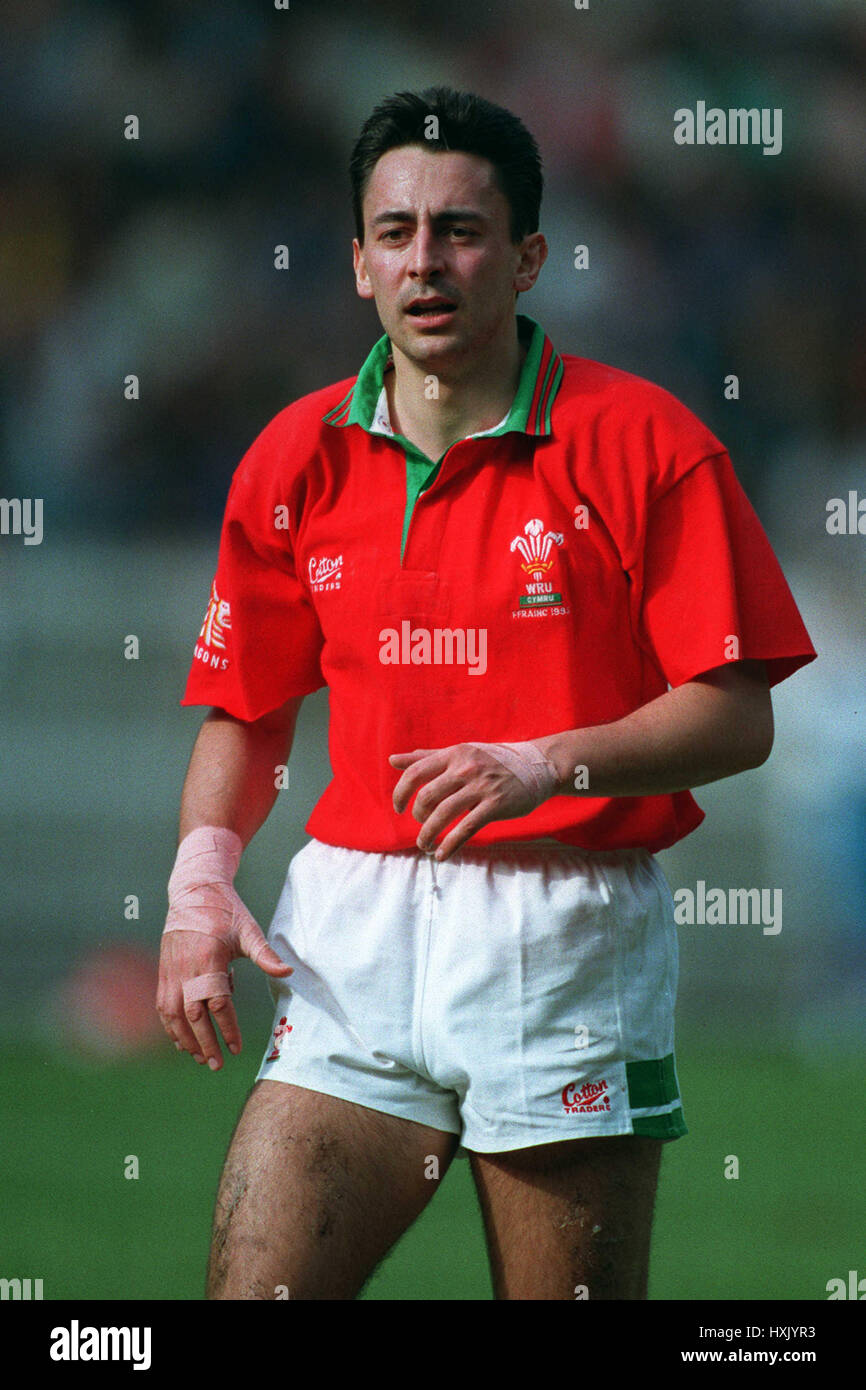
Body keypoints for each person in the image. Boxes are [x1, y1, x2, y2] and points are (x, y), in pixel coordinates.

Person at [157, 87, 816, 1301]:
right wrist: (200, 878)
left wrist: (540, 762)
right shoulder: (293, 453)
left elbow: (736, 713)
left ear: (524, 257)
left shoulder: (647, 442)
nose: (426, 261)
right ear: (357, 263)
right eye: (395, 231)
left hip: (563, 932)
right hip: (347, 937)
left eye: (459, 230)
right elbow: (246, 708)